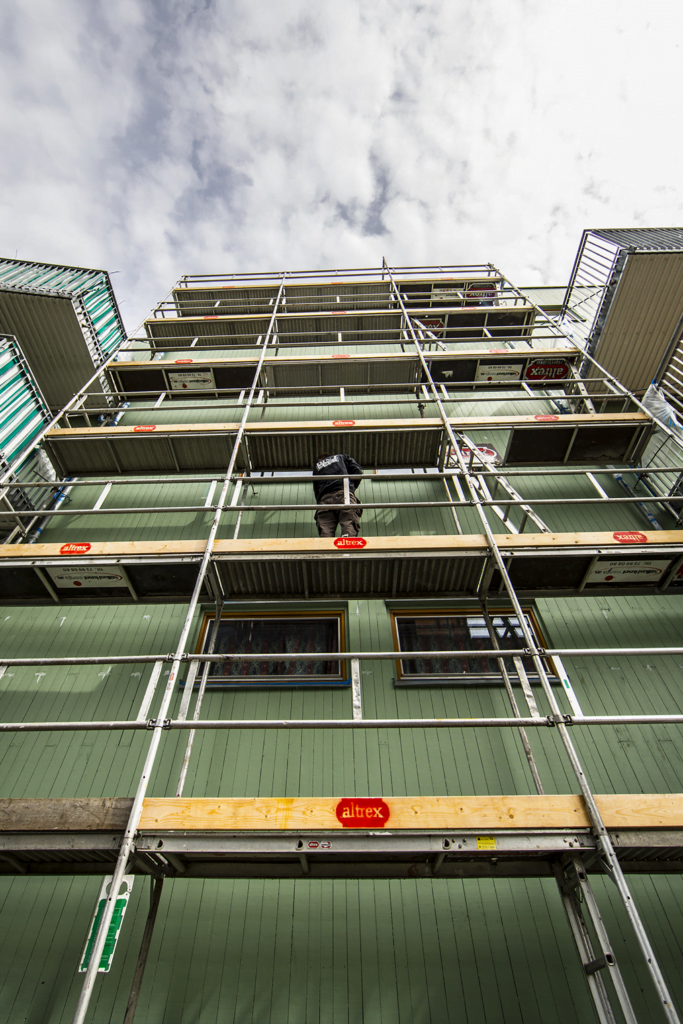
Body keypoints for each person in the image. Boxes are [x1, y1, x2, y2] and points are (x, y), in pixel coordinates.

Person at [313, 452, 363, 537]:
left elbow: (316, 489)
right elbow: (358, 471)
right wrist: (350, 487)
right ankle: (347, 543)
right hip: (344, 494)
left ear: (319, 460)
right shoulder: (342, 457)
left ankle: (326, 547)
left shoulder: (317, 467)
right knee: (348, 523)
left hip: (325, 499)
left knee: (326, 530)